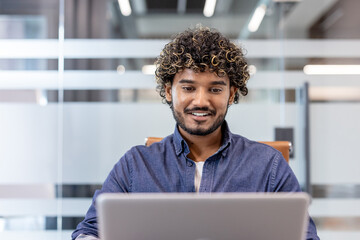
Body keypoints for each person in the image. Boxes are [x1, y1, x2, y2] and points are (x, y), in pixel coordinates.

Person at [72, 26, 319, 240]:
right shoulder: (135, 166)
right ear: (169, 92)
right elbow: (90, 230)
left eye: (215, 89)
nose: (201, 101)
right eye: (188, 87)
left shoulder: (269, 166)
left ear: (231, 94)